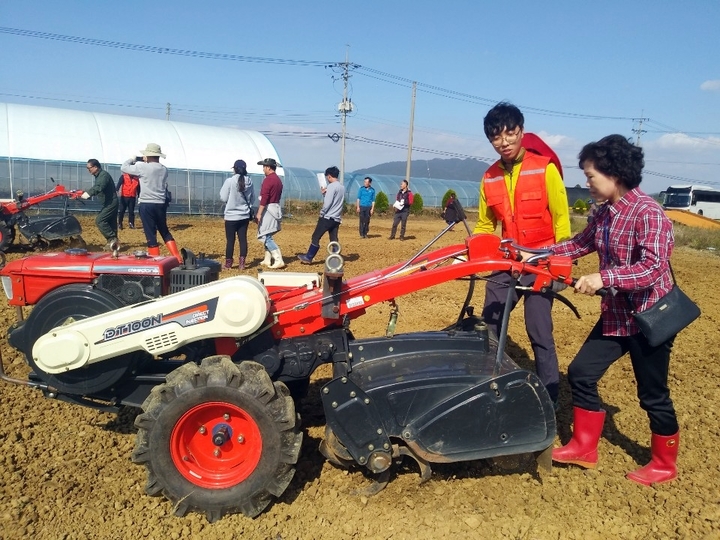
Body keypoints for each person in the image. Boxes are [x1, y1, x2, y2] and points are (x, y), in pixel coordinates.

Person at [548, 135, 680, 485]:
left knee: (652, 395)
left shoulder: (649, 213)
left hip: (650, 316)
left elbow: (653, 267)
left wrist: (603, 276)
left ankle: (665, 463)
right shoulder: (605, 213)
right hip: (618, 315)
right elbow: (579, 244)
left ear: (614, 174)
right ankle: (584, 446)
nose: (587, 183)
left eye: (591, 176)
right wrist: (536, 254)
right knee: (581, 373)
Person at [473, 102, 570, 406]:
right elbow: (485, 224)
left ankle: (549, 398)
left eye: (509, 134)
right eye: (496, 138)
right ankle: (486, 386)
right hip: (508, 260)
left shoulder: (545, 169)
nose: (504, 143)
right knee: (490, 321)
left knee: (538, 329)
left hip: (542, 263)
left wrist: (558, 260)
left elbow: (562, 221)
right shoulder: (489, 177)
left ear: (521, 131)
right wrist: (474, 248)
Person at [120, 143, 182, 262]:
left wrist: (133, 159)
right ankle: (177, 257)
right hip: (160, 203)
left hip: (147, 204)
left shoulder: (142, 167)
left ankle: (156, 260)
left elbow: (124, 167)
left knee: (150, 233)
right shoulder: (164, 169)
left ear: (148, 155)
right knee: (164, 230)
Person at [298, 166, 345, 264]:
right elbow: (336, 201)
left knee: (316, 237)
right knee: (334, 239)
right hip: (336, 218)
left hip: (327, 217)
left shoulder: (331, 186)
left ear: (329, 176)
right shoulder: (341, 187)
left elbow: (328, 203)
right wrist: (325, 194)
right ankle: (336, 258)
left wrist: (322, 212)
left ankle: (309, 257)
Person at [220, 160, 255, 270]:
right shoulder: (249, 181)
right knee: (243, 239)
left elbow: (223, 197)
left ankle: (228, 263)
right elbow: (252, 199)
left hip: (231, 216)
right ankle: (242, 263)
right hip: (244, 216)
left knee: (230, 240)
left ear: (234, 168)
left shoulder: (229, 181)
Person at [82, 159, 119, 249]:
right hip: (108, 202)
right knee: (111, 223)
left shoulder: (103, 175)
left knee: (100, 220)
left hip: (111, 202)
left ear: (95, 167)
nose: (88, 170)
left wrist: (88, 194)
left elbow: (99, 187)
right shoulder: (98, 176)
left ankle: (112, 239)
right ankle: (113, 244)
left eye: (89, 168)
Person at [255, 157, 285, 269]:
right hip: (275, 207)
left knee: (266, 235)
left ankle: (278, 259)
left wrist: (259, 213)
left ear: (268, 167)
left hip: (269, 209)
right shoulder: (278, 180)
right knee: (267, 234)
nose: (263, 169)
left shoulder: (268, 180)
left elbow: (264, 198)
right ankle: (267, 259)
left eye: (264, 167)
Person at [116, 165, 140, 230]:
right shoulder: (124, 176)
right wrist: (116, 190)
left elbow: (138, 189)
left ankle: (131, 223)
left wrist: (139, 197)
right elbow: (119, 184)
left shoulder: (136, 179)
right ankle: (120, 223)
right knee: (121, 211)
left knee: (131, 211)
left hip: (132, 197)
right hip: (124, 197)